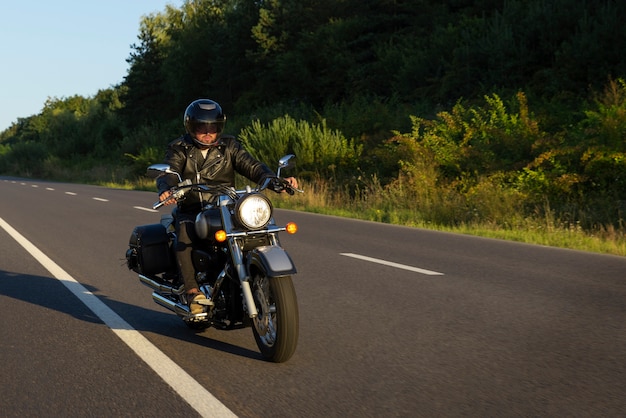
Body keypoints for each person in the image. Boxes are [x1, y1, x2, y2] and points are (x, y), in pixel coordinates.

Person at [156, 99, 298, 315]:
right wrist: (167, 188)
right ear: (191, 127)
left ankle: (260, 276)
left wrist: (275, 180)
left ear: (219, 127)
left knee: (257, 227)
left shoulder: (230, 146)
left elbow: (252, 166)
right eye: (201, 127)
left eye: (212, 127)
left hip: (226, 206)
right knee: (184, 234)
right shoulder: (179, 148)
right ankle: (193, 292)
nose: (207, 132)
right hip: (193, 208)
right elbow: (168, 172)